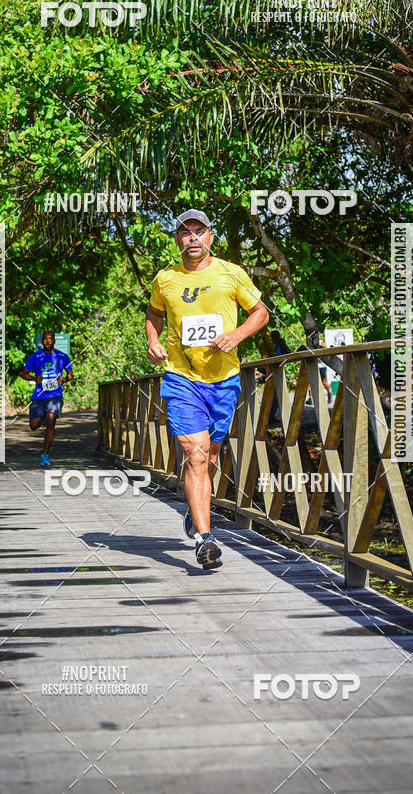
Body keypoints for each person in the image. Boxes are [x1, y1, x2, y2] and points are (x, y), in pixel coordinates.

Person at [145, 208, 269, 568]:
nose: (193, 238)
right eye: (185, 233)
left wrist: (237, 335)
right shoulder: (165, 278)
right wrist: (153, 340)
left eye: (199, 231)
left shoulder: (231, 273)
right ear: (177, 240)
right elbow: (153, 313)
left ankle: (195, 510)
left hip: (224, 380)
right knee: (195, 455)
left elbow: (260, 312)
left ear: (210, 236)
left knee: (211, 457)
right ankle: (205, 537)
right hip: (181, 378)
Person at [21, 331, 73, 466]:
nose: (48, 341)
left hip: (55, 395)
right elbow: (23, 373)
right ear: (42, 341)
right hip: (39, 395)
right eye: (45, 338)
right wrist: (34, 378)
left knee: (51, 421)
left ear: (54, 340)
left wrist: (64, 380)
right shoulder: (35, 357)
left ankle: (45, 455)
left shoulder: (62, 356)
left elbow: (70, 374)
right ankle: (43, 417)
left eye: (50, 338)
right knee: (33, 426)